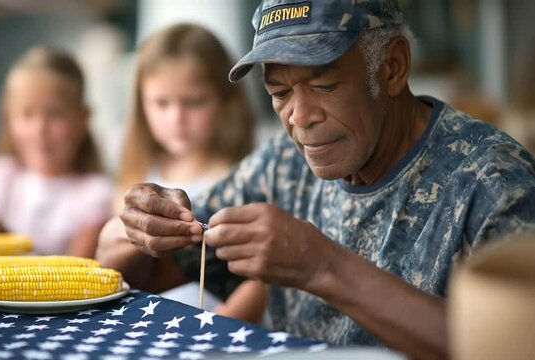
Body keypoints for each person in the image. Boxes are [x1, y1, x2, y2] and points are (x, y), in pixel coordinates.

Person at [101, 1, 535, 359]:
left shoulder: (493, 181)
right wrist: (139, 223)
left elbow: (514, 348)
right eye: (280, 94)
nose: (300, 118)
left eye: (324, 85)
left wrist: (322, 266)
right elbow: (152, 269)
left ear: (392, 67)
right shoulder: (282, 166)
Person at [95, 23, 267, 323]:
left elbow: (261, 280)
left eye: (194, 102)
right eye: (161, 103)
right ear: (140, 104)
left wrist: (223, 322)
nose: (177, 118)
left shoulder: (247, 175)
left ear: (226, 100)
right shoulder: (132, 165)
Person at [0, 47, 112, 258]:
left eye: (55, 114)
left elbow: (76, 265)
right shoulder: (1, 174)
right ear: (9, 119)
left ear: (83, 119)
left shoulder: (95, 194)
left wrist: (1, 236)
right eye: (27, 114)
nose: (40, 130)